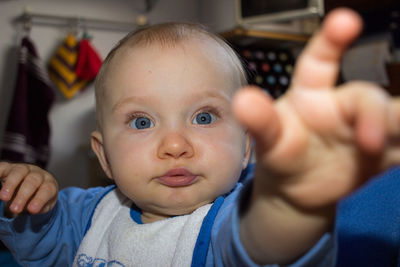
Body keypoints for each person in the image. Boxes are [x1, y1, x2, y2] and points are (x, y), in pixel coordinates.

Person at [0, 8, 399, 266]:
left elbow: (264, 245)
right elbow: (36, 244)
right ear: (103, 157)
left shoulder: (230, 220)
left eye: (204, 116)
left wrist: (291, 204)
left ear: (245, 147)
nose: (175, 145)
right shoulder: (87, 214)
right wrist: (23, 198)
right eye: (141, 122)